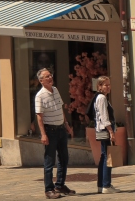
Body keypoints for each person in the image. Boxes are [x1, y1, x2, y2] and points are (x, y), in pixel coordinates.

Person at [34, 68, 76, 200]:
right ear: (41, 81)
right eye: (47, 76)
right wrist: (43, 134)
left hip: (61, 130)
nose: (50, 77)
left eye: (50, 75)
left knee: (64, 158)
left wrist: (67, 125)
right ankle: (49, 189)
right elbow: (39, 117)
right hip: (50, 131)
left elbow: (60, 109)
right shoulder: (40, 96)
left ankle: (60, 185)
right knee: (49, 160)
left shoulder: (56, 90)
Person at [94, 76, 119, 194]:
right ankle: (106, 185)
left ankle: (102, 185)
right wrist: (111, 131)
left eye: (109, 84)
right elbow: (104, 117)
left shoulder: (100, 98)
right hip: (105, 130)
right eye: (105, 85)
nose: (108, 87)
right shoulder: (102, 98)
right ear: (99, 86)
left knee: (104, 156)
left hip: (102, 130)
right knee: (107, 157)